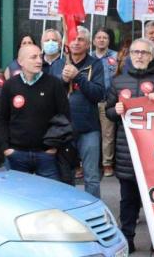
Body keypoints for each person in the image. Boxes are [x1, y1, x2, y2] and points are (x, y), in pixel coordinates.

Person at [106, 38, 154, 256]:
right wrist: (114, 111)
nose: (139, 56)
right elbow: (107, 111)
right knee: (128, 202)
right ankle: (127, 240)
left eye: (144, 53)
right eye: (135, 52)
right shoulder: (118, 81)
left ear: (152, 56)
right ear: (129, 55)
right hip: (128, 152)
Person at [0, 43, 70, 180]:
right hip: (17, 154)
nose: (39, 60)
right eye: (33, 57)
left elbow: (64, 117)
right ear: (21, 62)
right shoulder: (10, 85)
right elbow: (2, 118)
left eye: (40, 56)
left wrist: (53, 147)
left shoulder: (54, 84)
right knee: (18, 198)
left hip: (46, 155)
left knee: (49, 197)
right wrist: (6, 148)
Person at [49, 26, 106, 197]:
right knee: (65, 176)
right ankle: (70, 212)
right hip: (63, 128)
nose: (76, 42)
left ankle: (94, 211)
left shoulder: (95, 64)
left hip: (88, 128)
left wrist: (78, 77)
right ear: (66, 42)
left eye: (81, 39)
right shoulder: (57, 64)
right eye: (73, 38)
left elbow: (98, 94)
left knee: (91, 177)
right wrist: (62, 80)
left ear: (88, 43)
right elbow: (50, 95)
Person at [92, 27, 119, 178]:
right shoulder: (89, 57)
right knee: (92, 133)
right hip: (91, 100)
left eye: (105, 37)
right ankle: (91, 163)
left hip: (107, 100)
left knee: (108, 134)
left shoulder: (115, 57)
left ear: (109, 40)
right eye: (99, 37)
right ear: (94, 40)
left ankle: (107, 164)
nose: (102, 40)